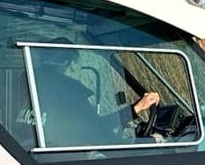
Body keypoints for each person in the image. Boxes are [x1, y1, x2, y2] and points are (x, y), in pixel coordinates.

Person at [30, 44, 160, 148]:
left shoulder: (36, 90)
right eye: (81, 65)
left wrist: (134, 109)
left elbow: (92, 125)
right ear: (73, 65)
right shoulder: (70, 95)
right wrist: (147, 143)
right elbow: (99, 133)